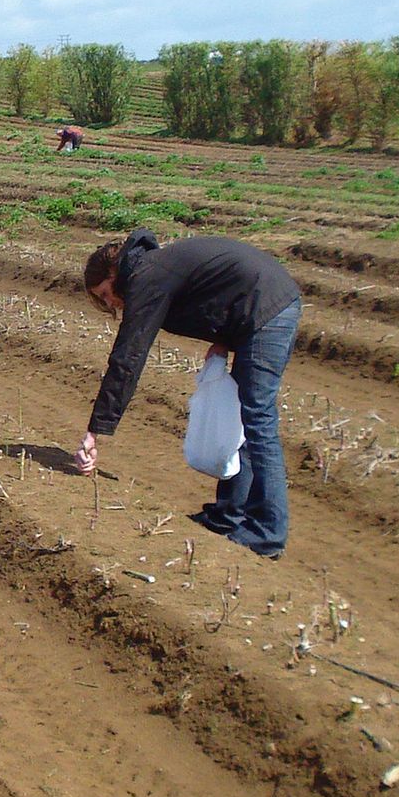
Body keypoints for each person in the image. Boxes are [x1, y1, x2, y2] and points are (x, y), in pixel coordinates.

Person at [75, 227, 302, 559]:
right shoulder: (152, 268)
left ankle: (267, 531)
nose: (109, 303)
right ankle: (227, 516)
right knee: (243, 418)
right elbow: (215, 288)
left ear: (114, 272)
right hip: (258, 305)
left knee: (258, 418)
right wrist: (223, 339)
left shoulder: (144, 277)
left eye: (106, 293)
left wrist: (96, 430)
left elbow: (127, 359)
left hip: (267, 309)